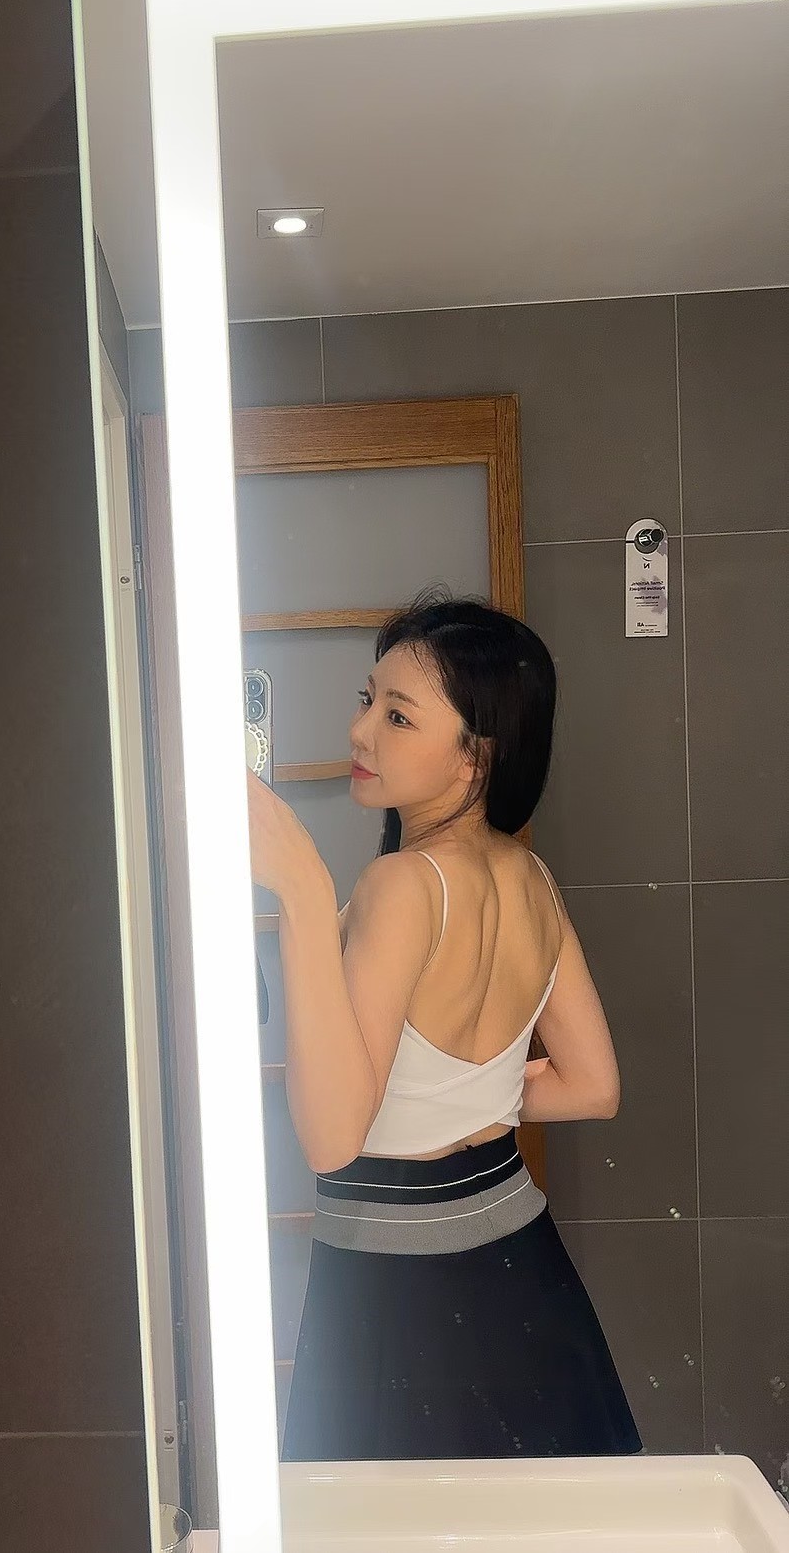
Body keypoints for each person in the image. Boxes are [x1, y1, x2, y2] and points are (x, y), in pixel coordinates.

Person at [246, 591, 641, 1461]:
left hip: (399, 1292)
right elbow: (592, 1086)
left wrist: (303, 889)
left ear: (474, 757)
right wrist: (471, 1098)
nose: (359, 732)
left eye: (397, 716)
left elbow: (332, 1139)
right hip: (523, 1267)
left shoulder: (402, 885)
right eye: (367, 700)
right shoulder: (529, 876)